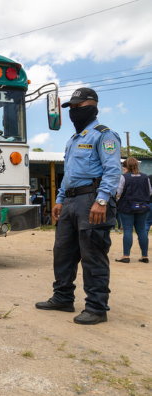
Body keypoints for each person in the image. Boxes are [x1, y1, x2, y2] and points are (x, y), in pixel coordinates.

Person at [35, 87, 121, 325]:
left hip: (91, 199)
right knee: (62, 252)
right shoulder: (74, 139)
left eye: (78, 107)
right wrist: (60, 199)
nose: (73, 111)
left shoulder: (104, 135)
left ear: (93, 106)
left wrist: (102, 200)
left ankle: (96, 307)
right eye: (71, 107)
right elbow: (69, 175)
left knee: (93, 255)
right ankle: (62, 297)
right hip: (71, 201)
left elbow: (113, 171)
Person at [115, 157, 151, 263]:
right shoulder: (145, 177)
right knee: (141, 230)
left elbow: (119, 192)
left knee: (127, 230)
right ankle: (144, 256)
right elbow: (149, 192)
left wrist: (118, 199)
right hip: (142, 207)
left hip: (126, 207)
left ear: (126, 167)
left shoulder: (124, 177)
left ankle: (126, 256)